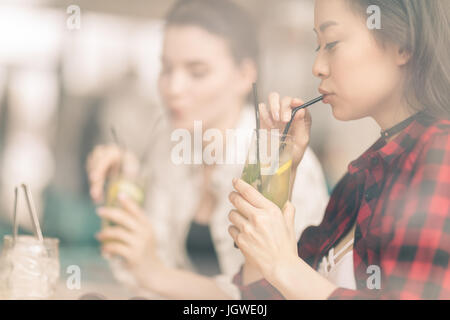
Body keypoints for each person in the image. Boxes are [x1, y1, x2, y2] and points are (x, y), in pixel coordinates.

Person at [87, 0, 329, 299]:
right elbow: (140, 276)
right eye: (166, 68)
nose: (173, 87)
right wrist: (126, 187)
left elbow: (268, 296)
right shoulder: (169, 147)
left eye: (197, 72)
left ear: (245, 74)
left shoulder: (285, 165)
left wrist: (156, 275)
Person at [228, 0, 450, 299]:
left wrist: (285, 266)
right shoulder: (359, 179)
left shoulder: (441, 151)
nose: (317, 67)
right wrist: (279, 172)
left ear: (403, 44)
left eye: (331, 43)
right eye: (316, 47)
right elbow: (262, 297)